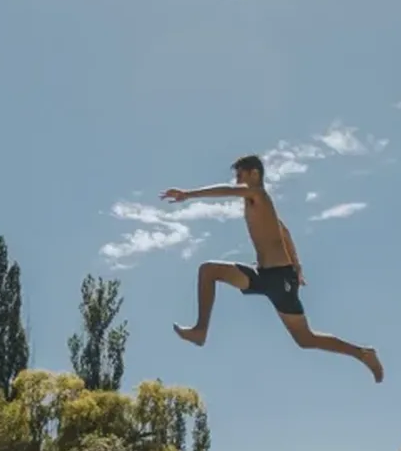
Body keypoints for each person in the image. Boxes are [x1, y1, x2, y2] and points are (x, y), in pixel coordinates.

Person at [160, 154, 384, 383]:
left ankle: (363, 354)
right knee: (208, 271)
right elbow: (283, 232)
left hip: (280, 278)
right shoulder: (259, 206)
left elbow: (227, 191)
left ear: (254, 174)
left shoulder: (257, 194)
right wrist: (298, 265)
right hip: (262, 276)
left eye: (240, 176)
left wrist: (188, 194)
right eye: (236, 177)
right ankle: (200, 331)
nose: (237, 182)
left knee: (305, 339)